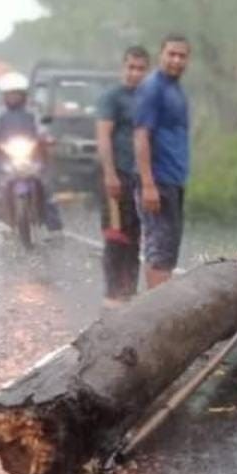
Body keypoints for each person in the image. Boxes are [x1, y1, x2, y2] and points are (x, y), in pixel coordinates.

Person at [133, 34, 191, 289]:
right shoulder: (152, 87)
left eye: (182, 55)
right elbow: (141, 135)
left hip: (173, 180)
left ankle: (159, 308)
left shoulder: (174, 89)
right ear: (161, 55)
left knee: (167, 249)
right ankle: (157, 317)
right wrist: (147, 184)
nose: (176, 60)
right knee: (159, 249)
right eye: (172, 54)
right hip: (157, 180)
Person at [0, 72, 64, 238]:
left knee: (46, 188)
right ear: (4, 96)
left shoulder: (34, 114)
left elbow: (43, 130)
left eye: (17, 94)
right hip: (4, 159)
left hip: (31, 158)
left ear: (24, 95)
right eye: (10, 94)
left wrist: (48, 139)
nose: (13, 97)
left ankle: (56, 228)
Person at [96, 46, 149, 306]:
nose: (134, 73)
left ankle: (129, 292)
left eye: (140, 69)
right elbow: (104, 136)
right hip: (117, 175)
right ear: (123, 68)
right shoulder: (112, 98)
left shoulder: (149, 99)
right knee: (116, 237)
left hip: (141, 179)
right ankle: (112, 295)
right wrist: (109, 174)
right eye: (130, 67)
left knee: (135, 237)